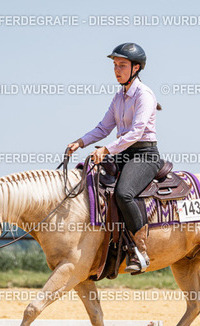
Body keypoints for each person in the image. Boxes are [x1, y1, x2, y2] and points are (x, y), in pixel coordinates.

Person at [67, 42, 160, 274]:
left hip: (144, 155)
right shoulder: (119, 97)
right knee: (87, 179)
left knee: (123, 193)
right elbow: (103, 128)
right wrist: (80, 142)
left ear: (136, 68)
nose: (117, 70)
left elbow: (136, 132)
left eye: (122, 65)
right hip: (122, 153)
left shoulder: (144, 95)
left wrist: (106, 150)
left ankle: (140, 252)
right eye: (115, 65)